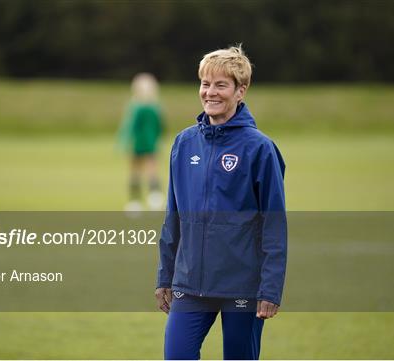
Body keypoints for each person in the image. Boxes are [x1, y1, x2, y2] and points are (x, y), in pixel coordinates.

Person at [155, 46, 287, 360]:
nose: (210, 92)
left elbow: (274, 224)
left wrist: (270, 289)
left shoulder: (261, 149)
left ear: (241, 91)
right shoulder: (184, 143)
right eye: (205, 83)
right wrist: (165, 275)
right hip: (190, 283)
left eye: (220, 85)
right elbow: (173, 215)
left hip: (241, 286)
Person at [118, 73, 164, 211]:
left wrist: (125, 141)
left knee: (145, 171)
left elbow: (130, 127)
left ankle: (148, 200)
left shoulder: (143, 107)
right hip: (142, 142)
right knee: (139, 172)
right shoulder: (150, 106)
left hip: (145, 142)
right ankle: (139, 201)